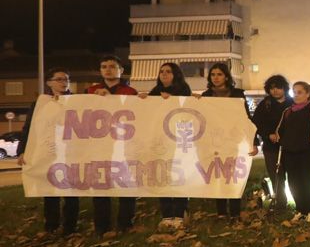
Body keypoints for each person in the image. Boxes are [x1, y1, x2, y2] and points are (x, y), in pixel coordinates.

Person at [18, 67, 80, 235]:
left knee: (71, 190)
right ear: (49, 82)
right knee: (50, 190)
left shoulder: (78, 101)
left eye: (66, 79)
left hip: (70, 152)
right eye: (59, 79)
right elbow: (29, 128)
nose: (63, 82)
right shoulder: (40, 103)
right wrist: (23, 150)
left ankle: (70, 227)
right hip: (48, 152)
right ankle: (51, 226)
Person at [87, 55, 139, 235]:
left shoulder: (130, 92)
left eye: (111, 66)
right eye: (104, 66)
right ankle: (102, 226)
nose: (107, 69)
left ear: (121, 70)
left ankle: (125, 224)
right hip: (99, 147)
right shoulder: (90, 91)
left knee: (127, 185)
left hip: (124, 147)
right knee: (101, 187)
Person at [201, 62, 257, 220]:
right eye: (213, 75)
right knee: (218, 176)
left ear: (226, 76)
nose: (216, 78)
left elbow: (246, 119)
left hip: (234, 142)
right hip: (215, 142)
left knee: (232, 177)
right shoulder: (206, 96)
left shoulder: (238, 94)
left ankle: (235, 212)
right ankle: (221, 212)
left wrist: (253, 141)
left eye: (219, 74)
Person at [144, 63, 192, 228]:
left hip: (179, 142)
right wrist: (144, 101)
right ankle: (166, 214)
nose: (164, 74)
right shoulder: (154, 93)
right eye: (161, 72)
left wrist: (170, 101)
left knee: (179, 176)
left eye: (168, 72)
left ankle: (179, 213)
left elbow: (187, 111)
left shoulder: (184, 91)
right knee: (162, 176)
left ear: (176, 74)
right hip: (160, 142)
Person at [276, 81, 310, 222]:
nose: (296, 95)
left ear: (307, 94)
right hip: (289, 152)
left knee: (308, 181)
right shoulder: (287, 112)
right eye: (294, 92)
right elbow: (280, 131)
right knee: (293, 182)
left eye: (299, 92)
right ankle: (300, 209)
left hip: (307, 152)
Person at [252, 75, 293, 211]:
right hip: (271, 147)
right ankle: (280, 202)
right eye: (272, 88)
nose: (275, 91)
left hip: (290, 146)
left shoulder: (292, 103)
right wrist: (268, 134)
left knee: (292, 176)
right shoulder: (265, 104)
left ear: (284, 88)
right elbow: (256, 123)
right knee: (276, 176)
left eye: (278, 87)